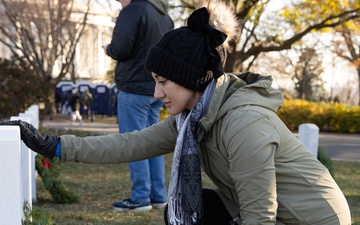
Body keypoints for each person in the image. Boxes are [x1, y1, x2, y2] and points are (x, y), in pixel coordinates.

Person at [1, 2, 352, 225]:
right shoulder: (194, 119)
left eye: (163, 81)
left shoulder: (245, 124)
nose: (156, 93)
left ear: (195, 79)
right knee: (183, 210)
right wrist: (54, 146)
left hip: (313, 219)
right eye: (155, 81)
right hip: (275, 216)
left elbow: (261, 217)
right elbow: (128, 146)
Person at [102, 0, 174, 212]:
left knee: (133, 143)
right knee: (153, 142)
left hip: (134, 88)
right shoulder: (164, 15)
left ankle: (140, 197)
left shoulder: (132, 10)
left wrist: (108, 49)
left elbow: (121, 48)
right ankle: (158, 195)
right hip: (155, 88)